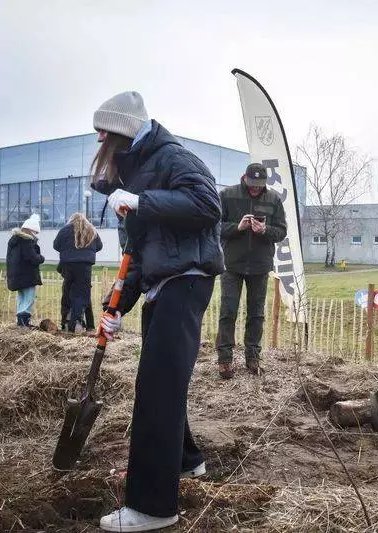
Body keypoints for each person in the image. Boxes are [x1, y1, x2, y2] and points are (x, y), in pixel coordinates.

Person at [89, 91, 224, 532]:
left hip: (185, 281)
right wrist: (118, 307)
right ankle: (187, 461)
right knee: (163, 381)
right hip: (162, 284)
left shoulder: (172, 156)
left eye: (102, 135)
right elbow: (139, 253)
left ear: (122, 131)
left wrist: (143, 202)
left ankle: (152, 508)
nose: (99, 146)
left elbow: (208, 205)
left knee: (156, 390)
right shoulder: (137, 168)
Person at [215, 163, 287, 378]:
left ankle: (253, 357)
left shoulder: (273, 199)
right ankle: (225, 360)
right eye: (252, 184)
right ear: (243, 177)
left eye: (260, 185)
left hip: (260, 265)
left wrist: (265, 230)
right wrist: (237, 227)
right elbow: (214, 225)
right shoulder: (227, 195)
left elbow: (281, 231)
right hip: (232, 264)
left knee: (256, 314)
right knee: (228, 311)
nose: (255, 189)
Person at [54, 213, 103, 332]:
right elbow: (99, 246)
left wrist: (68, 250)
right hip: (84, 266)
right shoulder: (91, 229)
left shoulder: (65, 229)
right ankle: (76, 322)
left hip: (67, 264)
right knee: (82, 294)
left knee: (67, 291)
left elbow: (56, 245)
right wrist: (86, 250)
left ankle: (65, 321)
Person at [6, 213, 44, 327]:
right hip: (27, 276)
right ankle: (24, 322)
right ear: (31, 230)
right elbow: (32, 258)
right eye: (36, 232)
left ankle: (20, 322)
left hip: (16, 275)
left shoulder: (14, 240)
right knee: (28, 298)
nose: (36, 234)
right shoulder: (26, 241)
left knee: (21, 298)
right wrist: (41, 258)